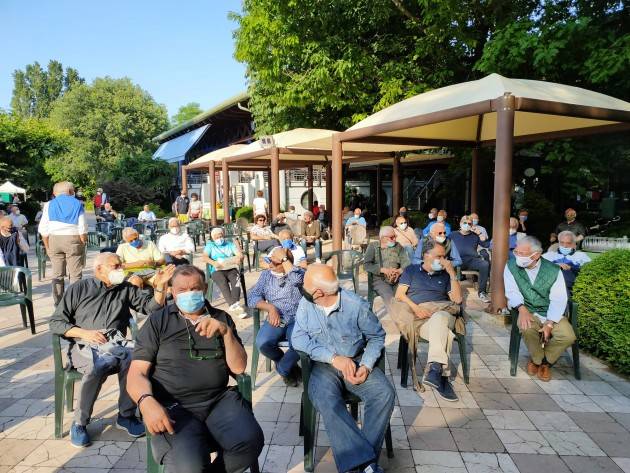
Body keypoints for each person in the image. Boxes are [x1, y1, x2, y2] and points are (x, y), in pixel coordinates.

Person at [127, 264, 264, 473]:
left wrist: (226, 333)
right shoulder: (158, 321)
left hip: (217, 401)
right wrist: (145, 401)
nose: (189, 294)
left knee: (250, 441)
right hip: (174, 406)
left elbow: (239, 367)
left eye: (195, 288)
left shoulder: (221, 318)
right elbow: (136, 372)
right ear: (172, 291)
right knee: (189, 466)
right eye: (182, 290)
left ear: (205, 287)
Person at [49, 253, 174, 448]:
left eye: (121, 266)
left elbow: (152, 309)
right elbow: (56, 322)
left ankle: (126, 415)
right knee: (99, 365)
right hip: (85, 345)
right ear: (99, 269)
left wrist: (161, 285)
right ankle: (80, 423)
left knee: (136, 360)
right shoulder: (80, 288)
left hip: (116, 344)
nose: (121, 270)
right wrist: (84, 333)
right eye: (115, 266)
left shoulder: (125, 289)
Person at [292, 264, 395, 473]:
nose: (302, 287)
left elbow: (377, 337)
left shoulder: (356, 305)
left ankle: (358, 464)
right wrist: (332, 357)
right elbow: (298, 339)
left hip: (356, 360)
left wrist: (366, 366)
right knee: (325, 398)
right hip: (324, 366)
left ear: (319, 292)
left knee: (384, 394)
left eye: (306, 285)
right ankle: (366, 465)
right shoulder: (306, 303)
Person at [391, 239, 463, 400]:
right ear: (426, 255)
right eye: (439, 256)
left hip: (442, 313)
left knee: (440, 317)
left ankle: (436, 368)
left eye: (445, 257)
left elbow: (457, 300)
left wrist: (452, 274)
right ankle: (439, 375)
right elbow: (399, 295)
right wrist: (417, 308)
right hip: (419, 320)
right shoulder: (411, 270)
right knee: (446, 335)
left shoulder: (446, 276)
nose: (443, 261)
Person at [504, 236, 574, 382]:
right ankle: (537, 360)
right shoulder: (510, 265)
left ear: (535, 255)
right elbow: (512, 291)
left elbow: (559, 298)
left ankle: (544, 362)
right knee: (527, 328)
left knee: (568, 336)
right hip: (527, 309)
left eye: (521, 253)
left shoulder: (553, 270)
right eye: (516, 251)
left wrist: (549, 323)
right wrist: (522, 310)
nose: (517, 255)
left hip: (551, 312)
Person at [249, 247, 305, 386]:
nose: (270, 265)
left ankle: (283, 369)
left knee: (299, 344)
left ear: (286, 263)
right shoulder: (266, 275)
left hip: (299, 318)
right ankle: (289, 365)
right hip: (278, 317)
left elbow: (297, 281)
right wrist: (269, 307)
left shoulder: (299, 273)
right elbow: (252, 297)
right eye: (269, 260)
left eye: (274, 262)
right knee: (263, 343)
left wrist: (285, 260)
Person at [38, 182, 88, 305]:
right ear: (71, 192)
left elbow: (43, 229)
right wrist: (83, 242)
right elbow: (82, 227)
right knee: (75, 275)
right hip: (72, 239)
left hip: (54, 239)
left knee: (57, 274)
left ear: (55, 193)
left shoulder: (48, 204)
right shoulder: (78, 204)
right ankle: (75, 304)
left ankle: (58, 304)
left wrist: (47, 246)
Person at [363, 226, 410, 307]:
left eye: (395, 236)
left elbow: (407, 263)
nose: (395, 239)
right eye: (392, 237)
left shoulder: (398, 246)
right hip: (380, 279)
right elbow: (366, 265)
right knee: (390, 299)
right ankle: (399, 318)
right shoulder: (373, 246)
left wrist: (398, 271)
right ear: (383, 238)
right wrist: (384, 270)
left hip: (397, 278)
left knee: (406, 296)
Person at [202, 227, 245, 316]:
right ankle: (233, 304)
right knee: (222, 281)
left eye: (220, 236)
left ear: (223, 235)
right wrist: (213, 263)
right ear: (213, 238)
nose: (219, 238)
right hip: (217, 269)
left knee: (236, 280)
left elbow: (239, 255)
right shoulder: (210, 245)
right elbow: (204, 257)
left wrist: (239, 258)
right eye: (217, 237)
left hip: (230, 268)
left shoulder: (229, 244)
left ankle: (234, 304)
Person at [450, 215, 491, 303]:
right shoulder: (453, 234)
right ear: (460, 223)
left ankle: (482, 292)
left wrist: (480, 234)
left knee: (485, 264)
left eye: (469, 223)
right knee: (446, 265)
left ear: (472, 225)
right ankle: (450, 292)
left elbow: (486, 245)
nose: (467, 225)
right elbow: (444, 244)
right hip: (456, 260)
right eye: (465, 223)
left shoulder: (475, 236)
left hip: (471, 260)